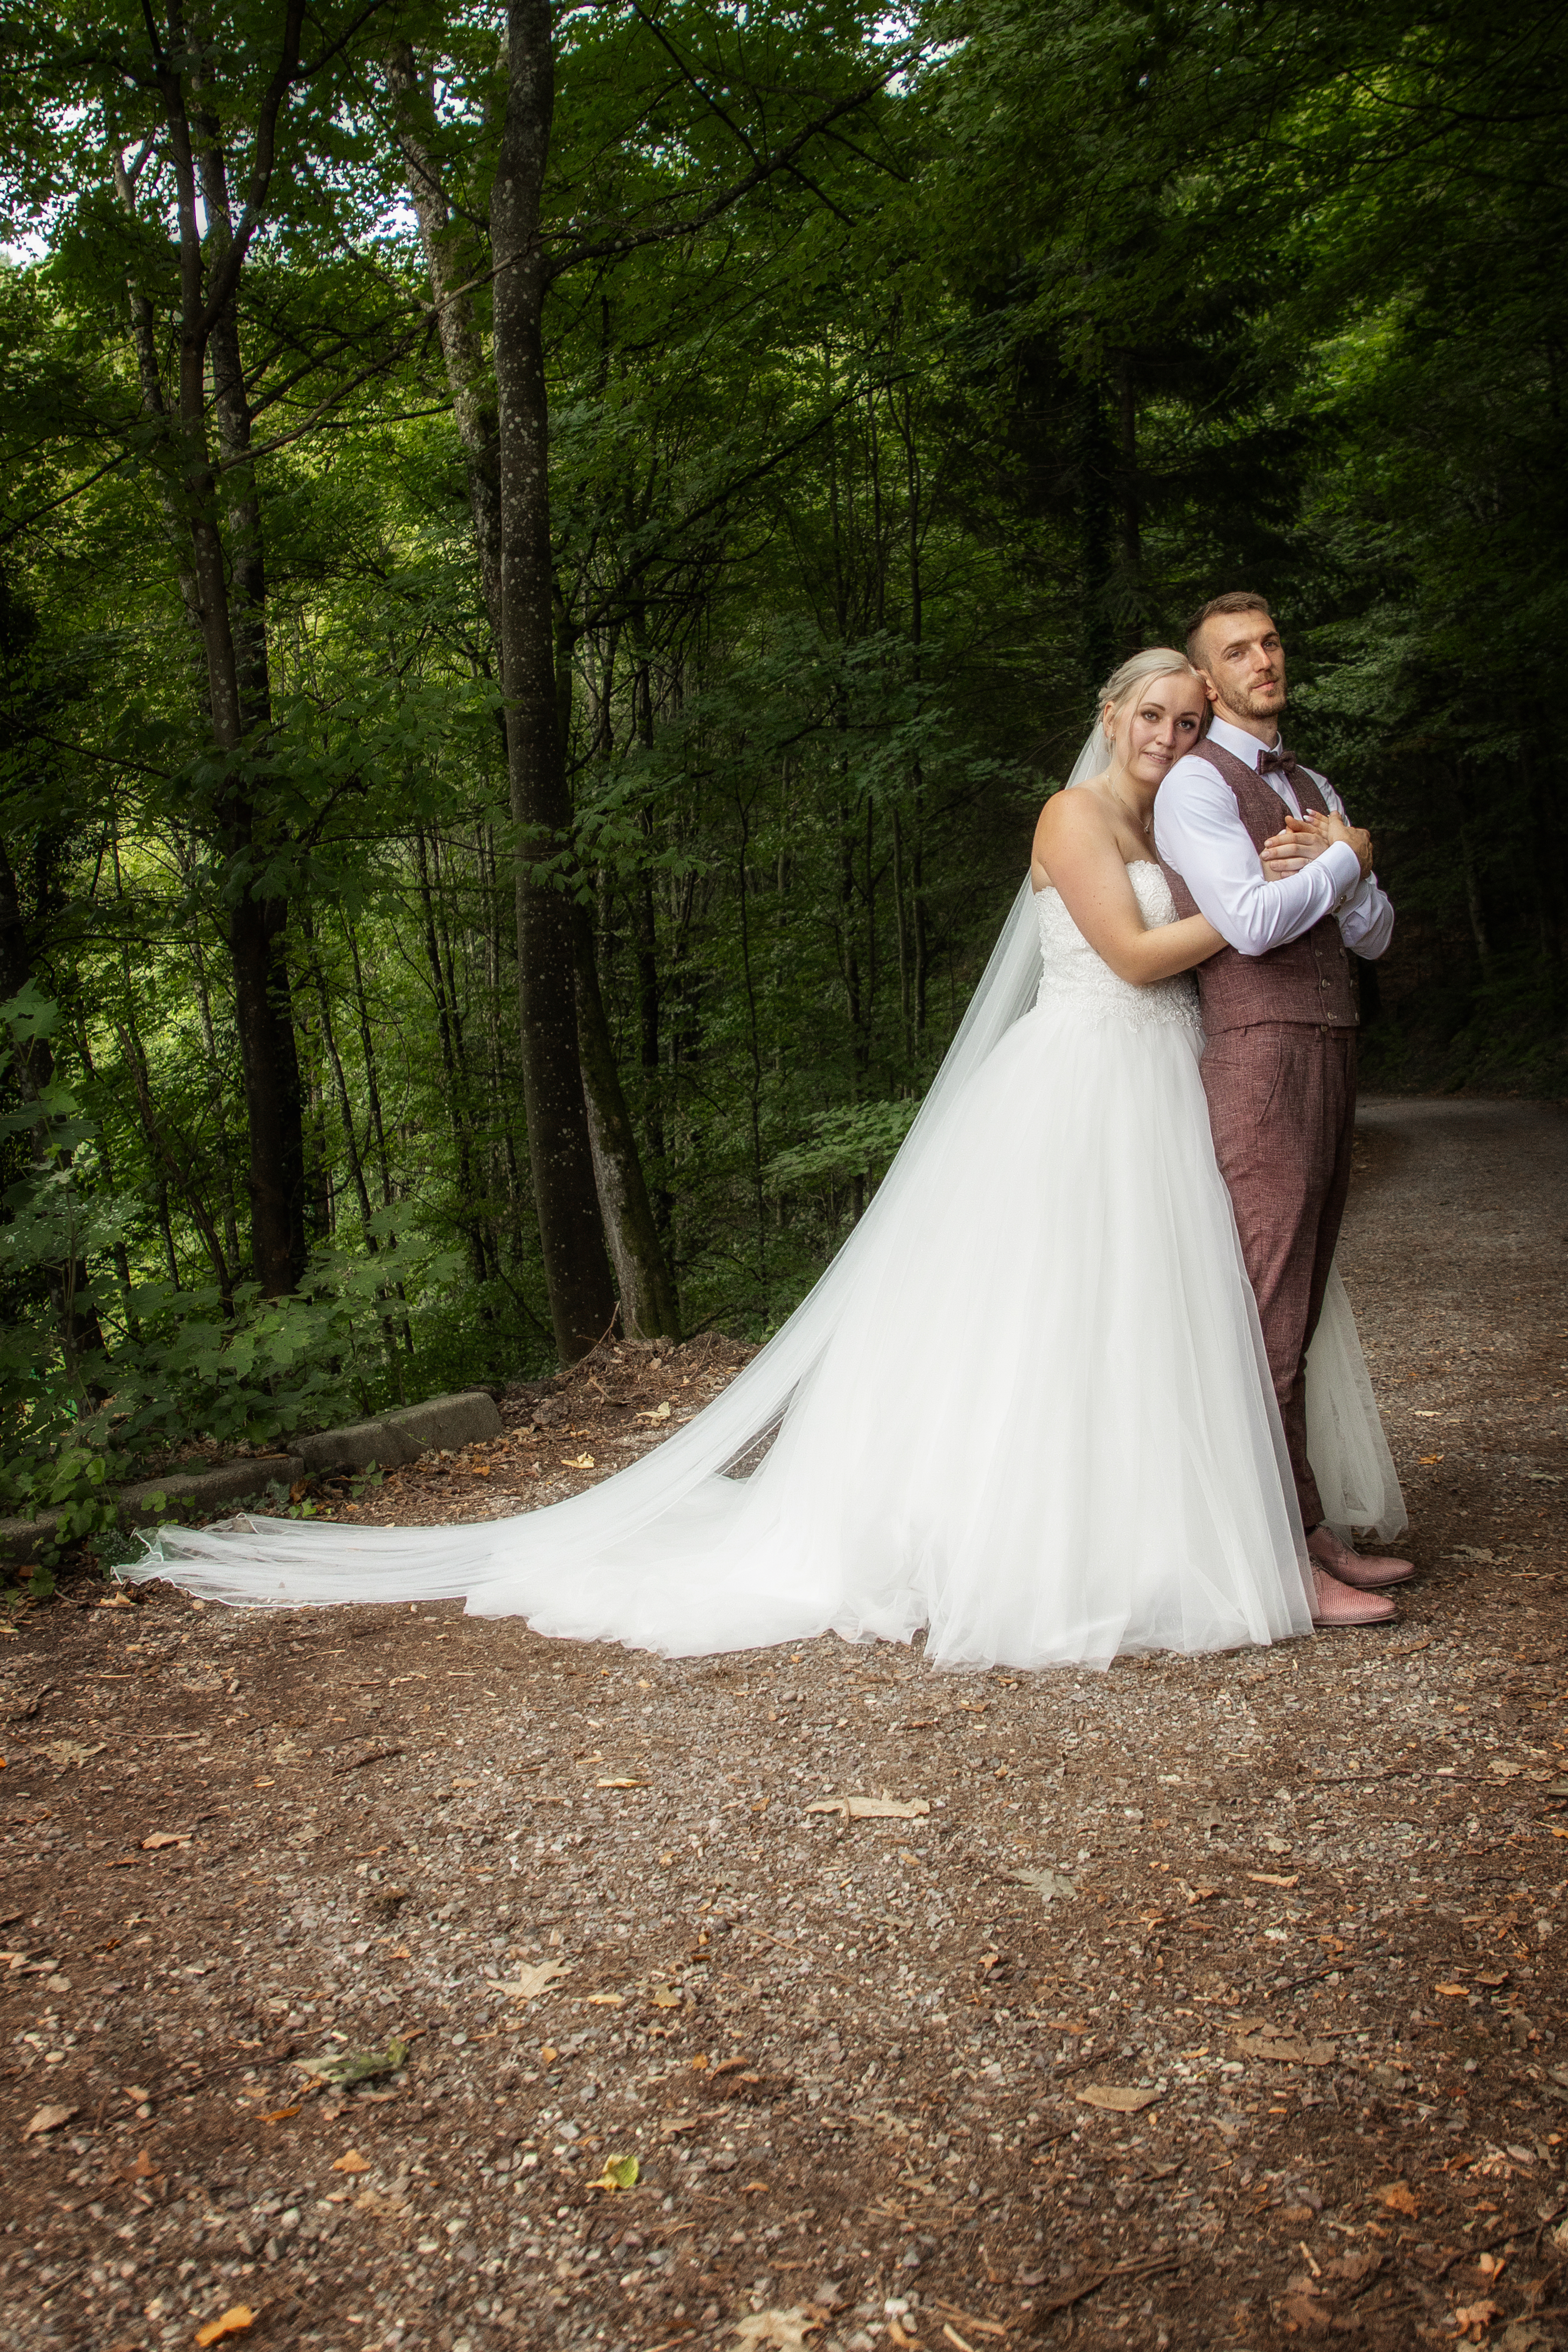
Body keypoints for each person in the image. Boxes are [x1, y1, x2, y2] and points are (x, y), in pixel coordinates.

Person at [127, 649, 1404, 1665]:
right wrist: (1248, 917)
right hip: (1083, 1081)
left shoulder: (1171, 826)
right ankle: (1039, 1543)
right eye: (1153, 714)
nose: (1171, 735)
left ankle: (1165, 1526)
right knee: (1051, 1318)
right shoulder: (1072, 816)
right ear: (1111, 716)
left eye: (1189, 721)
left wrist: (1275, 888)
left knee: (1151, 1319)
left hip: (1166, 1081)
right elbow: (1131, 957)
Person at [1154, 593, 1413, 1616]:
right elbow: (1254, 926)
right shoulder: (1195, 786)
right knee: (1265, 1307)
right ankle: (1273, 1565)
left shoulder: (1312, 784)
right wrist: (1350, 857)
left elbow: (1376, 935)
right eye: (1237, 652)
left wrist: (1346, 878)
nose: (1263, 660)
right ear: (1208, 680)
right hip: (1260, 1056)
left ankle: (1302, 1526)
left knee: (1296, 1310)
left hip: (1335, 1045)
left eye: (1270, 642)